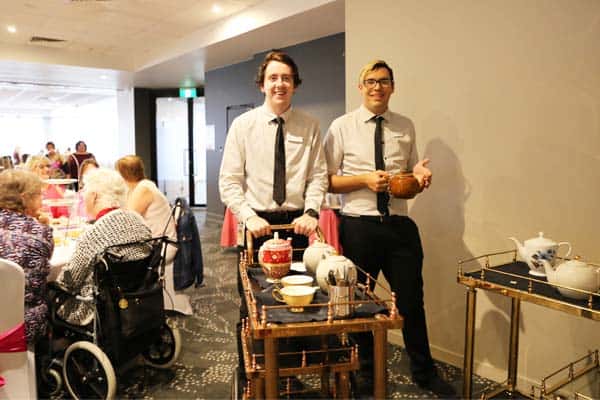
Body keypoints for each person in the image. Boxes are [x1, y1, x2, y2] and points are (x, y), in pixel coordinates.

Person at [324, 60, 455, 397]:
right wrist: (365, 180)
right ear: (360, 86)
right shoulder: (342, 127)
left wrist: (418, 174)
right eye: (370, 81)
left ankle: (424, 373)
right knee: (359, 305)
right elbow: (327, 181)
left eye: (384, 81)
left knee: (412, 301)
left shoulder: (405, 126)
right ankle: (365, 373)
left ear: (392, 87)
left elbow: (407, 171)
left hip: (399, 226)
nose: (377, 87)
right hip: (358, 227)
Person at [219, 49, 328, 388]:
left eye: (286, 78)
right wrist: (249, 216)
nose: (280, 84)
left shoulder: (310, 126)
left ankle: (289, 376)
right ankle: (253, 378)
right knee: (254, 307)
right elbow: (229, 181)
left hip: (296, 226)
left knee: (296, 303)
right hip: (257, 227)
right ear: (262, 85)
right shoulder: (243, 126)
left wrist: (311, 211)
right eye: (273, 78)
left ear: (295, 84)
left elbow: (318, 177)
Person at [55, 168, 151, 326]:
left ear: (94, 196)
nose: (82, 197)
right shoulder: (138, 221)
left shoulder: (95, 233)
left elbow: (70, 280)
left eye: (84, 191)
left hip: (98, 308)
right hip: (137, 296)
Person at [115, 154, 193, 315]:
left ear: (123, 175)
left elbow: (128, 221)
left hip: (162, 246)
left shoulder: (143, 190)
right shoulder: (144, 186)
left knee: (115, 256)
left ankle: (131, 302)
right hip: (159, 241)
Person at [0, 169, 53, 345]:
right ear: (24, 198)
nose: (42, 200)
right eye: (39, 195)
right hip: (24, 323)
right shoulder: (40, 232)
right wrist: (43, 225)